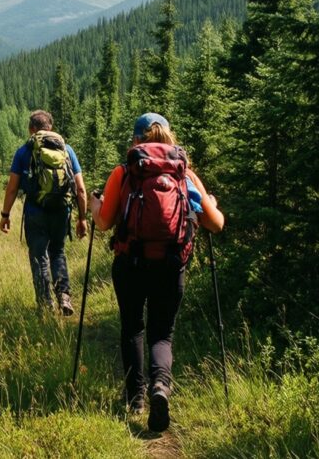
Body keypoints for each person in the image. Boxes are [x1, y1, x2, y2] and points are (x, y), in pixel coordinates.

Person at [90, 112, 224, 433]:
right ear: (169, 137)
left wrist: (95, 205)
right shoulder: (184, 173)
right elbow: (216, 224)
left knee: (133, 326)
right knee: (162, 332)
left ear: (136, 140)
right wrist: (212, 204)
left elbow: (105, 222)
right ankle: (160, 387)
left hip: (130, 263)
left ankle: (135, 397)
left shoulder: (124, 173)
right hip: (171, 262)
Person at [0, 110, 88, 314]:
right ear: (51, 128)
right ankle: (64, 297)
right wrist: (82, 218)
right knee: (58, 252)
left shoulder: (24, 151)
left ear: (31, 129)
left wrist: (5, 214)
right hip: (61, 210)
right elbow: (81, 189)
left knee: (39, 256)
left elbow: (12, 188)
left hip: (34, 211)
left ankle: (45, 303)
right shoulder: (67, 150)